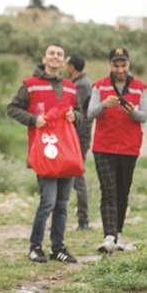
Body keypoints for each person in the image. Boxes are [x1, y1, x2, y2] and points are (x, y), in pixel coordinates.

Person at [7, 43, 83, 264]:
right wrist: (33, 120)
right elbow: (12, 108)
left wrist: (75, 116)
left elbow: (80, 112)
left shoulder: (71, 87)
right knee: (48, 202)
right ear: (44, 57)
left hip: (66, 153)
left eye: (59, 54)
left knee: (62, 204)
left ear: (64, 60)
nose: (55, 57)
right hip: (45, 153)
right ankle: (35, 247)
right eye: (52, 53)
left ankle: (58, 248)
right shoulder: (30, 85)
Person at [88, 47, 147, 253]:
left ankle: (119, 234)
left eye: (123, 65)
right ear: (110, 65)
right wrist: (104, 104)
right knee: (109, 191)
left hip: (130, 147)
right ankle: (109, 236)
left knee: (123, 192)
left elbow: (144, 116)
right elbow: (90, 113)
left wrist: (133, 111)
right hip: (104, 147)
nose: (120, 69)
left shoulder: (141, 87)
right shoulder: (99, 86)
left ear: (128, 64)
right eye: (116, 65)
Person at [64, 54, 92, 230]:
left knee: (78, 175)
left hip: (79, 136)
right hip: (75, 136)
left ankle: (83, 220)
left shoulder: (81, 86)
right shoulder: (82, 83)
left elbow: (76, 111)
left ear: (72, 66)